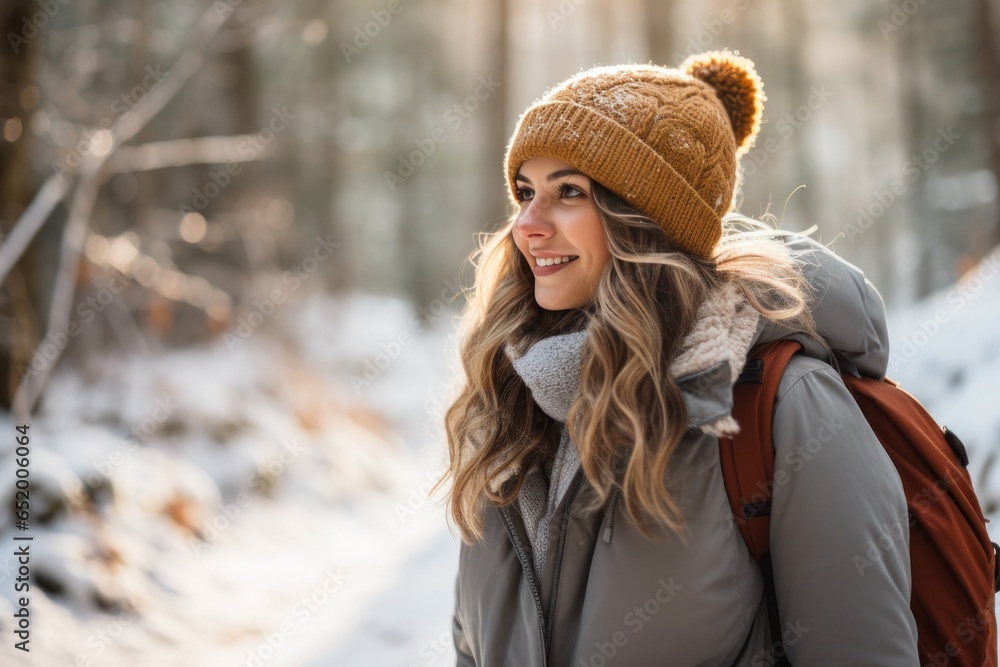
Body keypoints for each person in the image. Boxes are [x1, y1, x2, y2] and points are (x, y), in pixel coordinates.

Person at [435, 50, 920, 666]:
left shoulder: (784, 407)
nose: (526, 225)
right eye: (525, 192)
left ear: (646, 222)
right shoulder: (515, 399)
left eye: (569, 192)